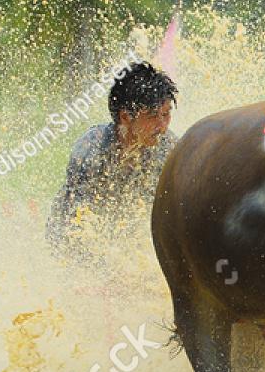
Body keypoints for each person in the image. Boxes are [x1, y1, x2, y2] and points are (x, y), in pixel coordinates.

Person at [47, 61, 177, 256]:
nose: (161, 126)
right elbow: (75, 224)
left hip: (131, 247)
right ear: (125, 117)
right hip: (71, 245)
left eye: (166, 114)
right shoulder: (91, 151)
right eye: (151, 116)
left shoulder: (169, 149)